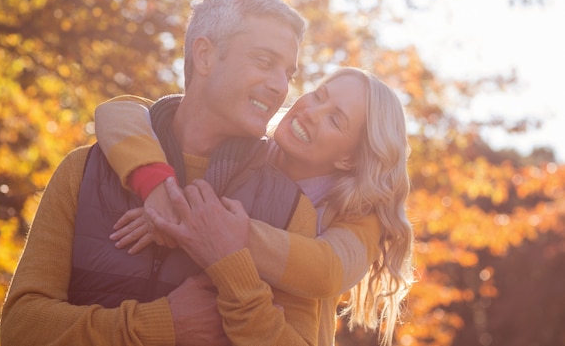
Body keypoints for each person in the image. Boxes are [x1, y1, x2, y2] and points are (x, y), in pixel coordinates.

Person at [0, 0, 320, 346]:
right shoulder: (85, 170)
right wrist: (157, 326)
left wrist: (233, 270)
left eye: (288, 75)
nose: (280, 87)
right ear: (205, 56)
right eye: (264, 62)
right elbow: (19, 330)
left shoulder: (292, 209)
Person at [95, 67, 415, 346]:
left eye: (335, 119)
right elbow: (118, 113)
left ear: (349, 158)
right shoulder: (242, 148)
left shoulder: (357, 213)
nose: (310, 112)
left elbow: (328, 269)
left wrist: (212, 227)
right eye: (318, 96)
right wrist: (159, 191)